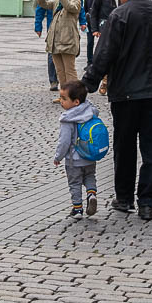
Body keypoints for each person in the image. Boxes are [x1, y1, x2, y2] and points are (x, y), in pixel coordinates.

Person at [81, 0, 152, 220]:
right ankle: (148, 202)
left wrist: (87, 84)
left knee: (125, 147)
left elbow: (104, 53)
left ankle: (124, 198)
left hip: (125, 93)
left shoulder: (119, 15)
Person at [53, 79, 101, 219]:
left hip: (74, 160)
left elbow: (64, 142)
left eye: (64, 98)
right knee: (90, 176)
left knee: (75, 183)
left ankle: (77, 209)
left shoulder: (68, 119)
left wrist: (58, 157)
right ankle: (91, 194)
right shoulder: (90, 112)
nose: (61, 101)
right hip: (89, 156)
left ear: (76, 102)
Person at [40, 0, 83, 92]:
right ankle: (64, 94)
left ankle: (74, 94)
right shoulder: (57, 0)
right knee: (60, 71)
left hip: (68, 40)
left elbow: (70, 7)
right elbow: (43, 4)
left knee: (69, 70)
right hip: (55, 40)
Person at [84, 0, 119, 64]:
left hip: (120, 25)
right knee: (106, 52)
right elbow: (94, 10)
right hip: (105, 26)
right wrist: (95, 29)